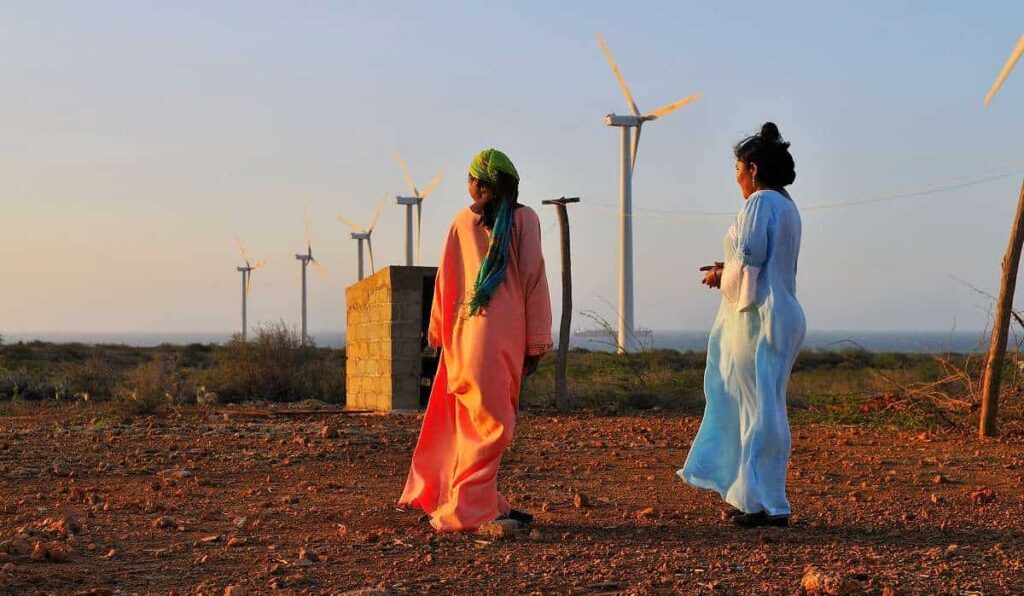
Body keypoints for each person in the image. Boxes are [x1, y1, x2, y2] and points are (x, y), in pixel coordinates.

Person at [398, 148, 553, 532]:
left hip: (464, 334)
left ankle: (480, 499)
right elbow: (533, 279)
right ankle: (470, 507)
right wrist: (536, 342)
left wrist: (438, 333)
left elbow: (446, 282)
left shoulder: (460, 223)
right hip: (503, 336)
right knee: (493, 425)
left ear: (478, 183)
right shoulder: (525, 220)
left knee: (470, 421)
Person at [678, 122, 806, 528]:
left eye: (737, 169)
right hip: (783, 313)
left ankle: (765, 503)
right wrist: (728, 266)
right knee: (766, 407)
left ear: (752, 168)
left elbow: (749, 263)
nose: (736, 178)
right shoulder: (787, 206)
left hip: (758, 318)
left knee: (755, 408)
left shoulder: (759, 203)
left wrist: (721, 277)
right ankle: (757, 497)